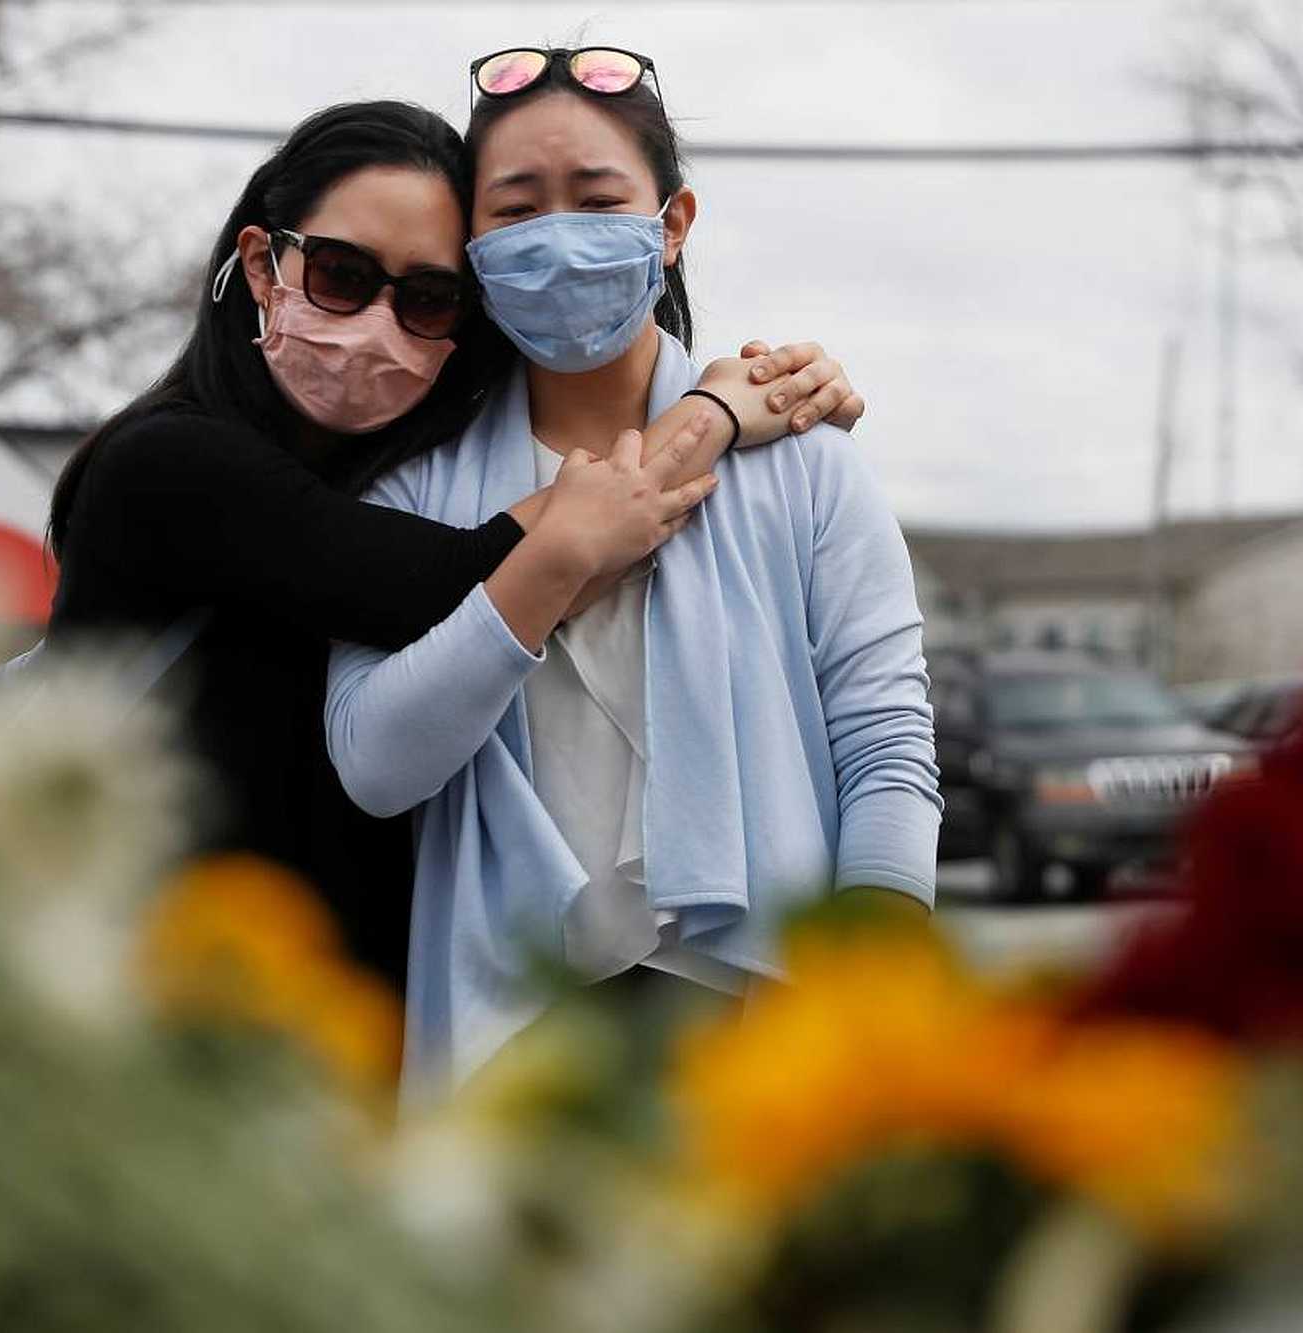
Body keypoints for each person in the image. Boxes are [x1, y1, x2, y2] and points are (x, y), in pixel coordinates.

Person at [46, 99, 869, 998]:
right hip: (160, 998)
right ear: (259, 262)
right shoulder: (166, 464)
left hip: (354, 1024)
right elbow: (446, 586)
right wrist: (710, 416)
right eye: (340, 274)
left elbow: (884, 729)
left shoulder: (399, 466)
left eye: (429, 296)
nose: (377, 320)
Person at [323, 49, 942, 1100]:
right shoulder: (408, 487)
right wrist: (556, 562)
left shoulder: (802, 459)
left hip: (760, 1024)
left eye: (596, 198)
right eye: (514, 209)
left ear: (671, 224)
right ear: (470, 246)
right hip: (508, 1032)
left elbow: (882, 743)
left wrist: (866, 1000)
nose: (556, 235)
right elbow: (376, 763)